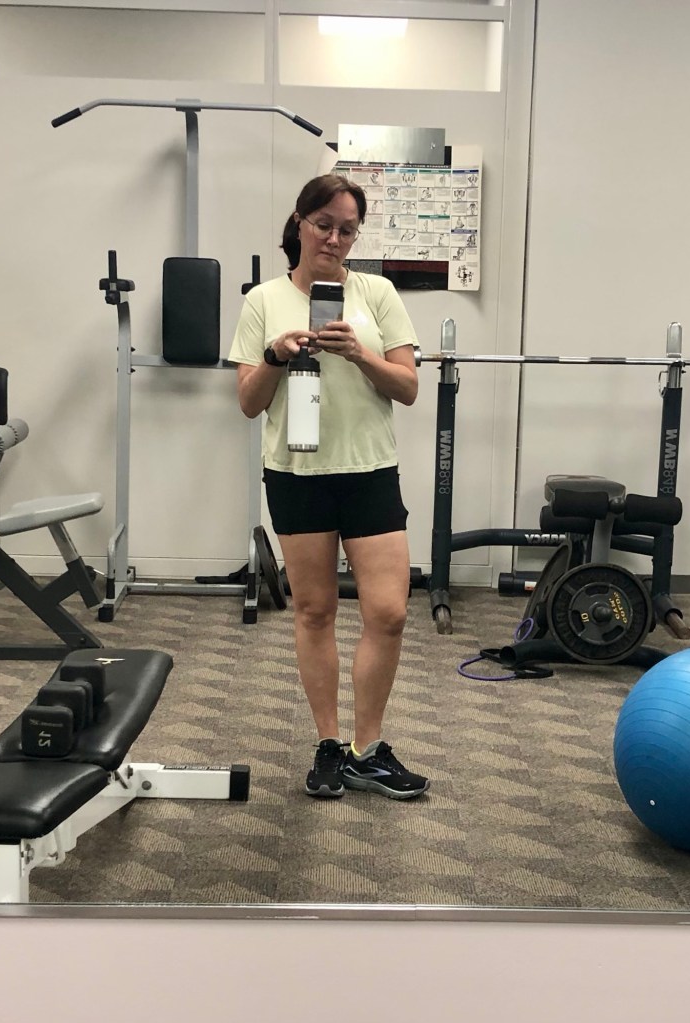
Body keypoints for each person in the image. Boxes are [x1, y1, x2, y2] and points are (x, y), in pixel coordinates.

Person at [229, 173, 429, 801]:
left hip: (369, 471)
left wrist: (359, 354)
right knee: (315, 611)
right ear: (300, 224)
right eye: (324, 226)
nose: (335, 239)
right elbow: (248, 403)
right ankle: (329, 743)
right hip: (297, 475)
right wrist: (275, 357)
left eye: (347, 230)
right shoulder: (263, 300)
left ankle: (368, 750)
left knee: (389, 613)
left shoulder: (378, 293)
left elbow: (408, 387)